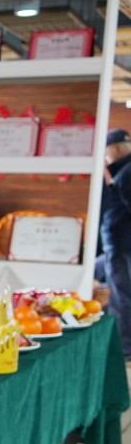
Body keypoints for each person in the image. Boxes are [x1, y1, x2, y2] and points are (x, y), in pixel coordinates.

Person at [97, 129, 131, 356]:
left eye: (106, 151)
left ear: (116, 148)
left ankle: (124, 349)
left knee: (122, 297)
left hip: (123, 246)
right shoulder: (123, 172)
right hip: (120, 245)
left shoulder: (126, 173)